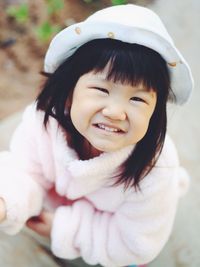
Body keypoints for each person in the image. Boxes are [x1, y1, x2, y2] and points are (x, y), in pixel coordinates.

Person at [0, 4, 193, 267]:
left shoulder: (154, 170)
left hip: (112, 233)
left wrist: (64, 229)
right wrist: (6, 200)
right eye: (101, 90)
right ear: (68, 93)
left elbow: (134, 242)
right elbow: (24, 171)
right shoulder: (42, 124)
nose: (115, 112)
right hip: (60, 204)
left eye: (137, 98)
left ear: (155, 113)